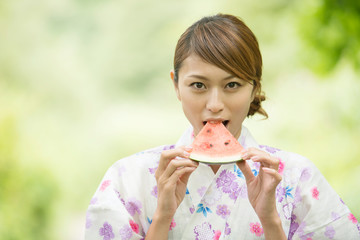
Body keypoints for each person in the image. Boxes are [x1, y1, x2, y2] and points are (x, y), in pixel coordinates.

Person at [85, 14, 360, 240]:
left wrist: (271, 221)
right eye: (198, 85)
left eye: (232, 85)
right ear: (176, 85)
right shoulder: (127, 179)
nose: (215, 104)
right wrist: (162, 217)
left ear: (255, 88)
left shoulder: (297, 178)